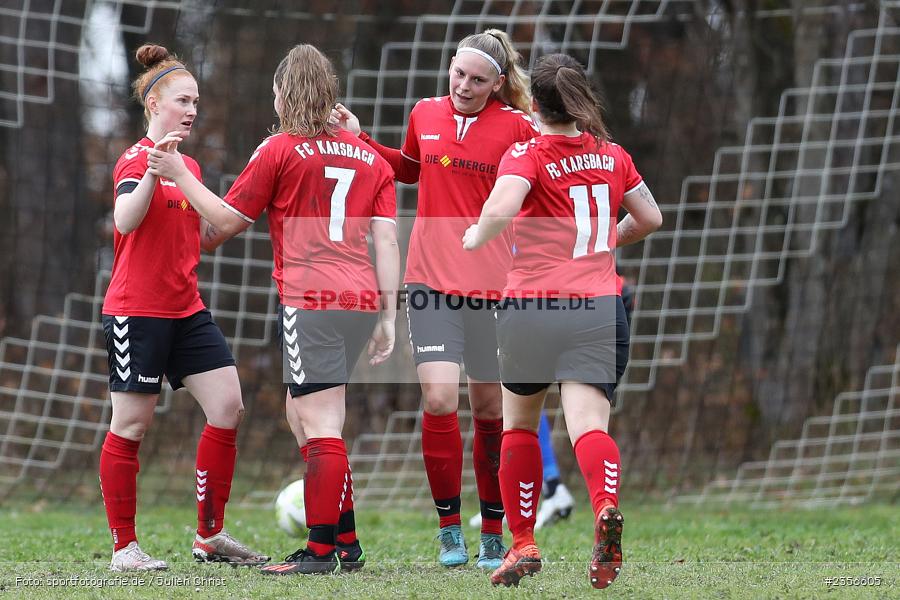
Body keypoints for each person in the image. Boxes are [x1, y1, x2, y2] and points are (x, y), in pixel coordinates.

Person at [147, 43, 400, 576]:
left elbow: (228, 219)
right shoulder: (371, 157)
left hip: (310, 300)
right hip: (358, 299)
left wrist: (177, 173)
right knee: (301, 412)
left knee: (320, 419)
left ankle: (321, 551)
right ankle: (346, 540)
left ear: (286, 93)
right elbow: (388, 243)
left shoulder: (279, 149)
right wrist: (387, 315)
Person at [334, 28, 539, 570]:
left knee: (493, 409)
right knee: (440, 400)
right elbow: (408, 168)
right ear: (449, 67)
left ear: (497, 84)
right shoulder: (425, 112)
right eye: (458, 73)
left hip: (494, 288)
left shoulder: (520, 128)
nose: (464, 85)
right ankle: (450, 528)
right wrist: (360, 140)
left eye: (477, 79)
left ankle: (493, 530)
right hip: (429, 283)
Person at [462, 53, 662, 589]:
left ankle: (523, 543)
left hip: (533, 308)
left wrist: (477, 235)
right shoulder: (613, 155)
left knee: (520, 426)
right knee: (589, 426)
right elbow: (651, 217)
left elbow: (502, 207)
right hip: (600, 308)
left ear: (535, 104)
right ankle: (605, 508)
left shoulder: (526, 153)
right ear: (579, 100)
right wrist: (602, 241)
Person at [99, 44, 269, 572]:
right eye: (182, 100)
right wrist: (156, 171)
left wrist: (241, 207)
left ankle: (209, 536)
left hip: (186, 310)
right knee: (130, 425)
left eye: (196, 100)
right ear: (154, 103)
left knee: (227, 406)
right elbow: (126, 222)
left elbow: (199, 237)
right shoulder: (135, 160)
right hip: (136, 311)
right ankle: (124, 548)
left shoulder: (189, 163)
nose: (192, 109)